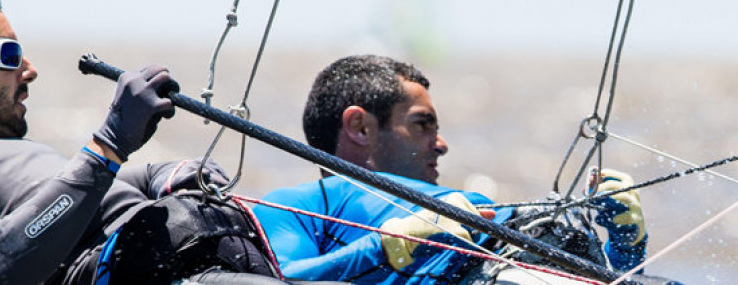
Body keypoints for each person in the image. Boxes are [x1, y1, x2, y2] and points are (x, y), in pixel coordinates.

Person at [0, 0, 286, 284]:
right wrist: (109, 147)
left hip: (230, 249)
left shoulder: (13, 162)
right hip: (164, 273)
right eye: (8, 56)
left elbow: (105, 189)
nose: (29, 70)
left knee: (344, 205)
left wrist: (165, 174)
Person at [252, 55, 648, 283]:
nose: (441, 143)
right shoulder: (297, 206)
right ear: (360, 127)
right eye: (423, 124)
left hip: (544, 255)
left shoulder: (444, 200)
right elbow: (287, 280)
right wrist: (383, 245)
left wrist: (627, 244)